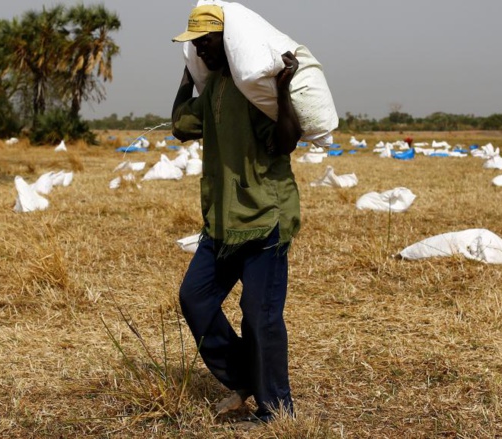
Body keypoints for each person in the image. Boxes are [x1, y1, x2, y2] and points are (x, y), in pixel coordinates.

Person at [170, 4, 302, 424]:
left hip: (263, 217)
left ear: (226, 41)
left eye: (205, 42)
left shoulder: (254, 89)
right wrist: (187, 80)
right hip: (222, 222)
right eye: (195, 46)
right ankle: (245, 377)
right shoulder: (214, 91)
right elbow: (178, 125)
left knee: (260, 316)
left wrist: (282, 91)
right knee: (195, 298)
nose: (201, 50)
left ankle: (276, 408)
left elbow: (286, 141)